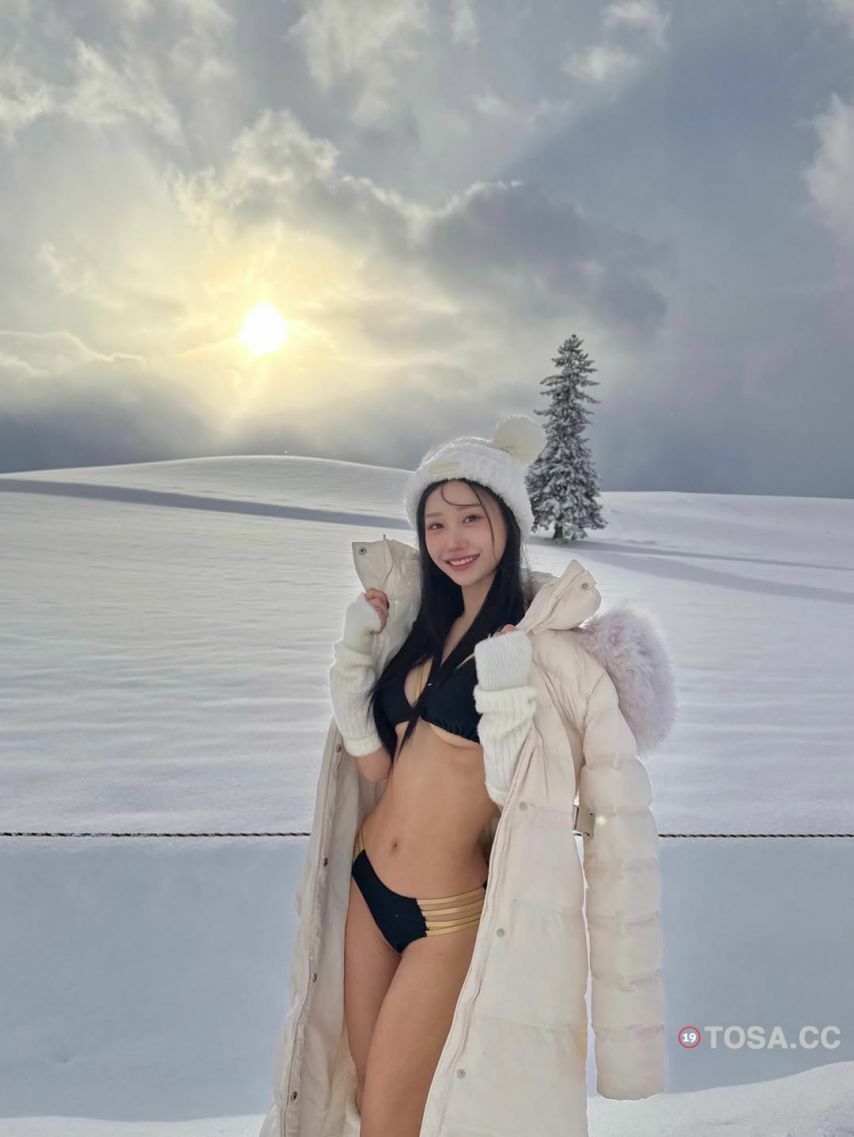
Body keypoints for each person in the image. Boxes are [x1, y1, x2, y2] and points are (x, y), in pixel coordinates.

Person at [259, 414, 676, 1137]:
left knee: (392, 1120)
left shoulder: (543, 651)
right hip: (367, 889)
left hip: (444, 917)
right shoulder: (421, 628)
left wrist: (508, 688)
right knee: (366, 1101)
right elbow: (374, 761)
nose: (453, 539)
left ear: (508, 523)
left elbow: (518, 795)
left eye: (471, 518)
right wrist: (356, 650)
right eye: (436, 524)